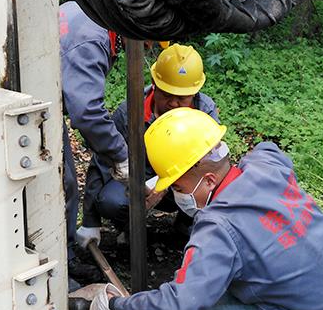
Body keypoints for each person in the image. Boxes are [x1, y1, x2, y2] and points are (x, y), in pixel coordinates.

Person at [87, 108, 323, 310]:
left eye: (178, 188)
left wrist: (118, 305)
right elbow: (268, 149)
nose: (174, 194)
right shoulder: (263, 166)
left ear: (208, 181)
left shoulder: (218, 229)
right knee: (205, 288)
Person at [75, 44, 219, 250]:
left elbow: (212, 164)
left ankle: (188, 225)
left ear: (195, 91)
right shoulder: (129, 112)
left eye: (182, 98)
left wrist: (165, 184)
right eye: (167, 95)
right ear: (154, 84)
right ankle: (129, 226)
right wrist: (90, 221)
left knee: (210, 186)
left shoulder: (204, 111)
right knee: (110, 201)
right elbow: (102, 160)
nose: (174, 104)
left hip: (181, 184)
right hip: (137, 182)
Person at [59, 1, 129, 286]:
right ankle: (58, 271)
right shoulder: (93, 38)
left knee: (65, 183)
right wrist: (120, 154)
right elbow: (87, 111)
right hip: (32, 106)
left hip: (38, 100)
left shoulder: (86, 9)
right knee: (58, 187)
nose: (146, 51)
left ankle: (63, 255)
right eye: (147, 43)